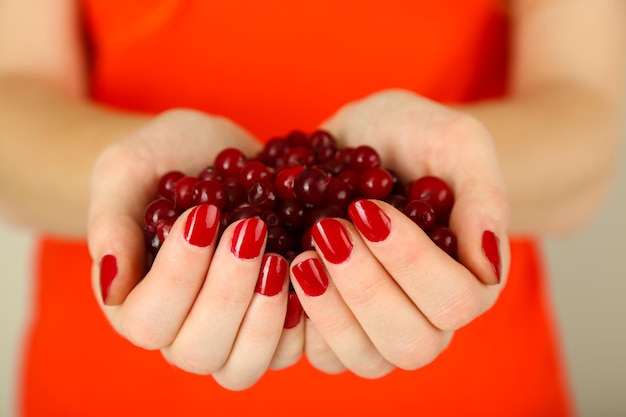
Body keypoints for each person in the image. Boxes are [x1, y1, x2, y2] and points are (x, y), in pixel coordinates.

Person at [0, 0, 624, 415]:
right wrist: (122, 180)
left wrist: (463, 170)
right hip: (116, 382)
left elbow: (587, 120)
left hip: (464, 378)